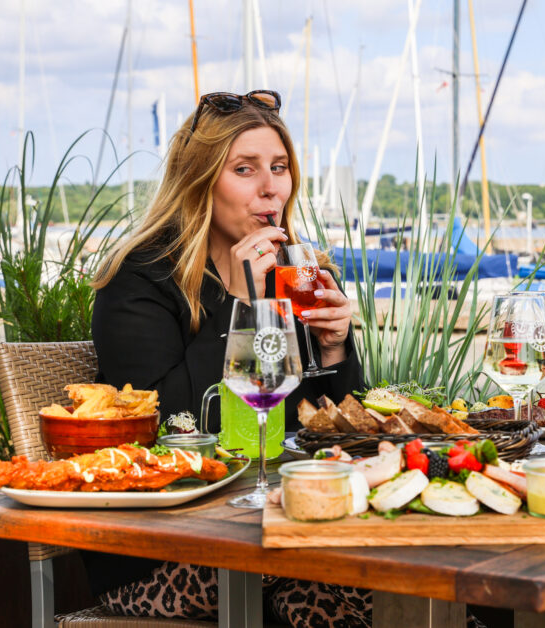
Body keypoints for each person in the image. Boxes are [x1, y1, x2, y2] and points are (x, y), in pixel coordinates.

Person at [88, 90, 369, 625]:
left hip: (274, 518)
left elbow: (326, 425)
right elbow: (170, 423)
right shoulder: (139, 278)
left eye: (280, 167)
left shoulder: (292, 272)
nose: (271, 187)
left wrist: (334, 350)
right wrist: (238, 306)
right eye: (245, 169)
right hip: (161, 544)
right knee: (337, 581)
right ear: (200, 181)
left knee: (368, 580)